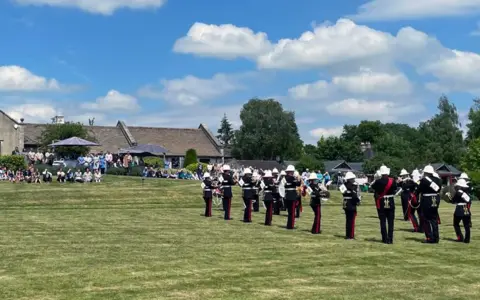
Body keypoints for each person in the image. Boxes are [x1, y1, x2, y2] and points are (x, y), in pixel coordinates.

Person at [371, 165, 397, 244]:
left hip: (382, 201)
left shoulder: (378, 181)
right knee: (391, 222)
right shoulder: (392, 180)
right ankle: (390, 239)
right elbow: (395, 188)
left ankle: (384, 238)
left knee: (382, 221)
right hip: (390, 201)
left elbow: (373, 187)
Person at [417, 165, 442, 243]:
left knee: (426, 219)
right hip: (436, 199)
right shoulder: (438, 180)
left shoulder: (424, 180)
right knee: (434, 219)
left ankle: (429, 237)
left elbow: (419, 189)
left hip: (427, 199)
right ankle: (436, 237)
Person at [448, 179, 471, 243]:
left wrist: (449, 197)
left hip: (460, 209)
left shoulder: (458, 192)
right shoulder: (466, 193)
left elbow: (453, 201)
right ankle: (467, 239)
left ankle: (460, 237)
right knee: (466, 225)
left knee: (456, 224)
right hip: (466, 208)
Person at [341, 172, 361, 240]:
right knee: (352, 221)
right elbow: (355, 196)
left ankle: (347, 235)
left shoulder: (343, 185)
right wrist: (358, 201)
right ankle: (351, 236)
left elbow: (343, 193)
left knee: (347, 220)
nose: (354, 179)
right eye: (352, 178)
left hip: (345, 203)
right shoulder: (353, 186)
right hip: (351, 204)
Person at [284, 165, 300, 229]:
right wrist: (298, 178)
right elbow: (298, 184)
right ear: (291, 172)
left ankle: (288, 225)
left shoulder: (284, 178)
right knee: (292, 212)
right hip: (292, 196)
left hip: (287, 195)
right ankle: (291, 226)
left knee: (289, 212)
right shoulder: (292, 178)